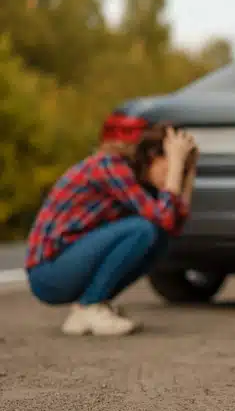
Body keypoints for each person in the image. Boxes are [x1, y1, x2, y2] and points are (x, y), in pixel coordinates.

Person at [25, 123, 198, 336]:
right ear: (152, 156)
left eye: (179, 173)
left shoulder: (144, 182)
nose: (173, 178)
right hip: (48, 272)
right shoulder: (113, 166)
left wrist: (187, 176)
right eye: (170, 168)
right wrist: (176, 165)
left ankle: (87, 309)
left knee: (159, 238)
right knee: (143, 230)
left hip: (69, 264)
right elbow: (164, 219)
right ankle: (91, 305)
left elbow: (173, 227)